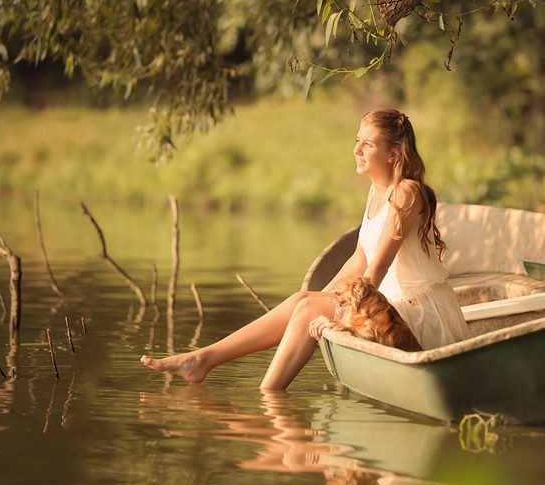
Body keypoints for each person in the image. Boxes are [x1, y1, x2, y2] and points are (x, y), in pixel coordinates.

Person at [140, 108, 469, 389]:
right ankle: (204, 359)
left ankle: (267, 397)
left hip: (416, 313)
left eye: (367, 144)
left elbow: (375, 271)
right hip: (383, 301)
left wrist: (336, 311)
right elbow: (359, 259)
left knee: (310, 306)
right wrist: (320, 299)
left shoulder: (406, 193)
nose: (356, 150)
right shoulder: (375, 192)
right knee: (304, 301)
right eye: (357, 141)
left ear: (393, 154)